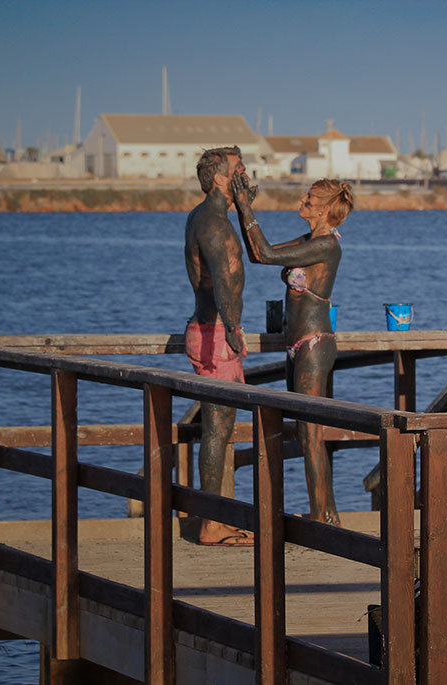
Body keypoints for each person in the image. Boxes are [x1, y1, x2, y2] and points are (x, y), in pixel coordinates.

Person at [232, 176, 353, 526]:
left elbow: (266, 253)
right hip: (295, 346)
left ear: (327, 208)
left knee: (312, 437)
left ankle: (322, 520)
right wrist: (242, 211)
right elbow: (258, 255)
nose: (304, 200)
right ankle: (328, 515)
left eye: (311, 197)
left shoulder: (328, 246)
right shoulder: (308, 241)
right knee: (305, 435)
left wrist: (246, 207)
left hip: (315, 344)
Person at [184, 146, 253, 546]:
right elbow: (223, 281)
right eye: (239, 169)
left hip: (210, 329)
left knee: (222, 427)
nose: (246, 174)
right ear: (220, 179)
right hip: (214, 333)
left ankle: (214, 516)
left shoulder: (207, 215)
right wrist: (231, 329)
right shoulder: (213, 224)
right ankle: (210, 523)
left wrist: (245, 209)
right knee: (217, 426)